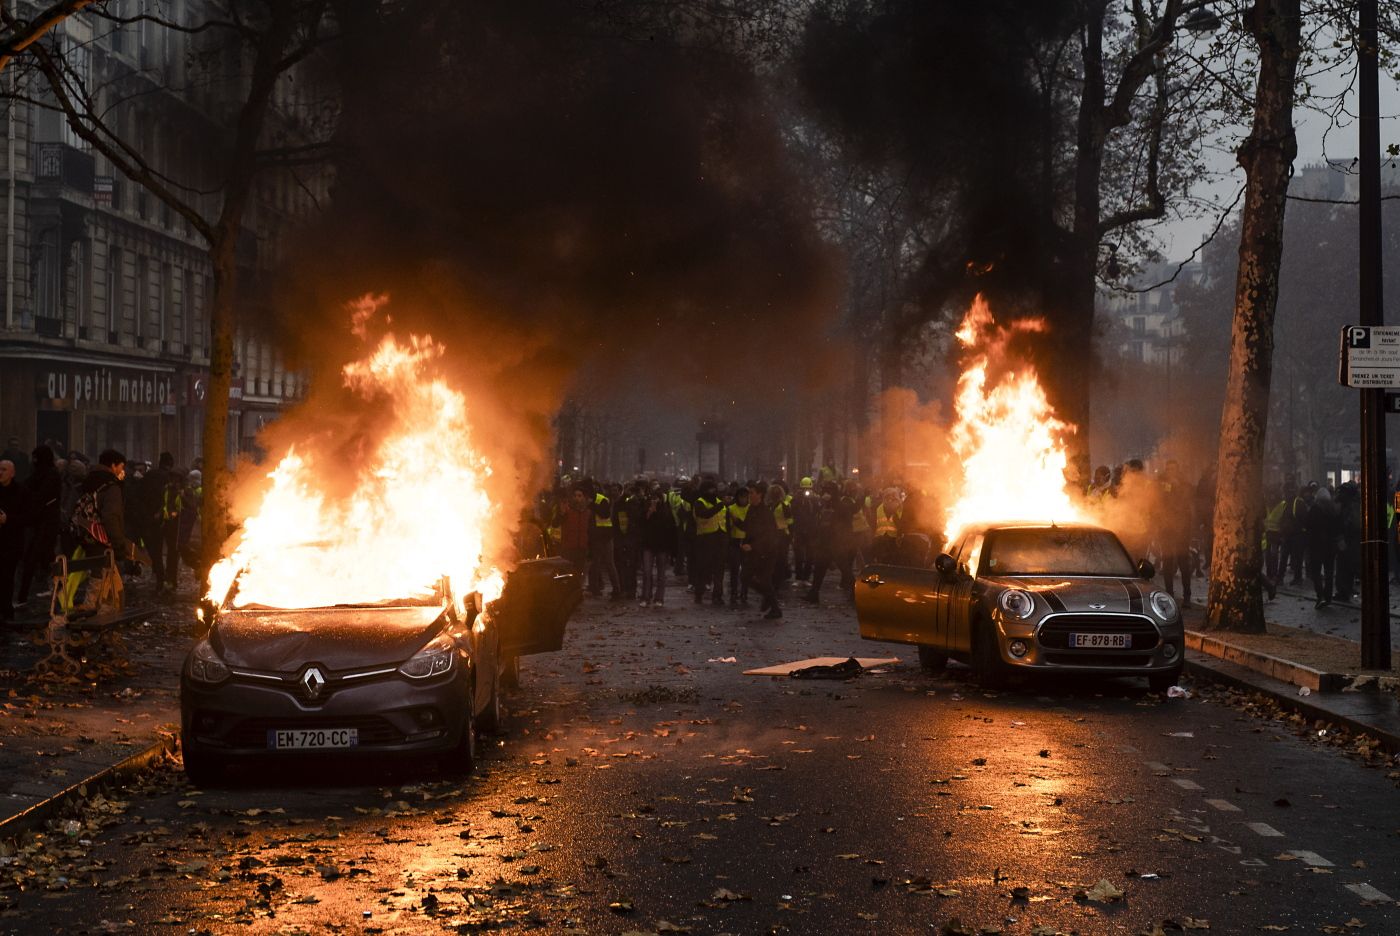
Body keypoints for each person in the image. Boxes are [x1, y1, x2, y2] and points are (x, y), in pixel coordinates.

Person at [72, 449, 144, 612]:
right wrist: (119, 544)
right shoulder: (111, 486)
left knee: (99, 571)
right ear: (113, 465)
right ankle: (97, 609)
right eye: (121, 467)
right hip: (102, 537)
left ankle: (95, 606)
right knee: (105, 575)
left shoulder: (88, 480)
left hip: (85, 534)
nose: (122, 471)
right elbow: (112, 517)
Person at [16, 445, 61, 608]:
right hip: (40, 522)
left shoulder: (50, 475)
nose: (33, 461)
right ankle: (58, 587)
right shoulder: (39, 474)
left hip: (46, 522)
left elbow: (40, 496)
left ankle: (22, 597)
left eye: (35, 458)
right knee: (45, 557)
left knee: (34, 557)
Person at [741, 484, 784, 619]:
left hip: (766, 552)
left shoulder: (765, 512)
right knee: (746, 577)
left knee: (764, 580)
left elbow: (768, 535)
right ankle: (769, 598)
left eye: (752, 493)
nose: (750, 495)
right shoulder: (751, 510)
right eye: (749, 493)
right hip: (755, 552)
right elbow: (748, 527)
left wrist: (753, 546)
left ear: (760, 494)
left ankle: (775, 607)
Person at [1156, 460, 1194, 603]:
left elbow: (1189, 501)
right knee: (1167, 562)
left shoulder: (1184, 484)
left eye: (1173, 469)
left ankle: (1187, 596)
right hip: (1166, 529)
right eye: (1168, 469)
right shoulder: (1160, 484)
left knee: (1184, 563)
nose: (1171, 472)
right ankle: (1169, 593)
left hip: (1182, 529)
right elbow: (1156, 503)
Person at [145, 452, 183, 594]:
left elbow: (143, 497)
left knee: (156, 550)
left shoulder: (150, 476)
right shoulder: (173, 479)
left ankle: (160, 577)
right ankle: (170, 579)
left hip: (154, 520)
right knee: (173, 551)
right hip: (171, 522)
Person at [584, 480, 622, 600]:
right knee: (595, 564)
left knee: (609, 564)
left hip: (605, 536)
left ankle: (616, 590)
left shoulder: (602, 500)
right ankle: (594, 589)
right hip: (596, 536)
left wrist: (592, 505)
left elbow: (605, 514)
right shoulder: (587, 501)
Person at [639, 486, 676, 607]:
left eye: (657, 499)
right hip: (648, 545)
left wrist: (672, 549)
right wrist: (649, 512)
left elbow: (670, 528)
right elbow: (641, 524)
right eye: (652, 498)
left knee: (661, 573)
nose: (654, 501)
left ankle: (659, 598)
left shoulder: (666, 510)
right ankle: (645, 596)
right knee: (647, 572)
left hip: (662, 546)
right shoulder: (645, 509)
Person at [691, 479, 726, 605]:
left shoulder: (719, 502)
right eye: (710, 489)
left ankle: (717, 595)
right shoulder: (699, 503)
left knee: (719, 569)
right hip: (705, 539)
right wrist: (719, 506)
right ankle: (699, 593)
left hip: (720, 538)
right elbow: (704, 515)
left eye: (714, 488)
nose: (713, 491)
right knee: (703, 568)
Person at [0, 460, 26, 624]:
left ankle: (6, 610)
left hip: (11, 542)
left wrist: (8, 519)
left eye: (3, 469)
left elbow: (28, 517)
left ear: (12, 473)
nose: (0, 472)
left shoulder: (21, 492)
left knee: (7, 576)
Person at [1306, 485, 1340, 609]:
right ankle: (1328, 596)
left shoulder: (1314, 509)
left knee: (1316, 572)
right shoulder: (1333, 510)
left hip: (1316, 546)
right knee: (1329, 572)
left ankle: (1320, 595)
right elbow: (1337, 528)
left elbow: (1308, 524)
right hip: (1330, 547)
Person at [1334, 481, 1362, 603]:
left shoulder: (1353, 506)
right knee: (1346, 567)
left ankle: (1345, 591)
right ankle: (1345, 590)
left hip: (1350, 540)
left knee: (1347, 566)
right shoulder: (1348, 504)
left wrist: (1343, 536)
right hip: (1348, 540)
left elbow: (1354, 524)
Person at [558, 486, 591, 575]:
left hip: (582, 548)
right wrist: (561, 514)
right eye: (575, 496)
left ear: (584, 498)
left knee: (580, 572)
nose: (577, 498)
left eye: (580, 496)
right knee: (568, 572)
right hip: (568, 548)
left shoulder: (588, 513)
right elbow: (555, 523)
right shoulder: (567, 511)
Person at [725, 484, 749, 608]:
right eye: (741, 497)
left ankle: (744, 592)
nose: (743, 499)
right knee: (734, 569)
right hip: (735, 540)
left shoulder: (751, 508)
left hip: (746, 541)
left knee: (746, 569)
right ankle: (734, 592)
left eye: (745, 497)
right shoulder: (731, 508)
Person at [871, 487, 904, 564]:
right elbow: (873, 523)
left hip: (894, 538)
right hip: (881, 538)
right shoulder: (878, 508)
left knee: (893, 561)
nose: (890, 498)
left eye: (893, 496)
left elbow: (901, 523)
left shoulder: (900, 508)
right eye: (888, 496)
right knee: (882, 561)